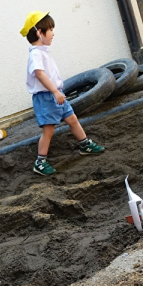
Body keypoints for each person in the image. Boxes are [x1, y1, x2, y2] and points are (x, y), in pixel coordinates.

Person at [20, 11, 105, 176]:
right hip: (46, 97)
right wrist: (54, 91)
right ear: (39, 32)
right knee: (49, 130)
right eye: (50, 29)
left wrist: (57, 91)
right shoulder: (36, 54)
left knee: (72, 119)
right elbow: (39, 73)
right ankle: (40, 161)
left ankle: (85, 144)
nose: (53, 33)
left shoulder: (42, 51)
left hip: (56, 94)